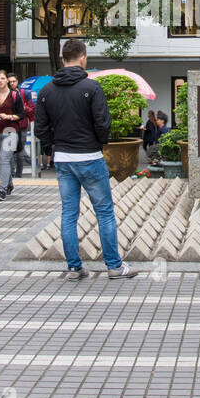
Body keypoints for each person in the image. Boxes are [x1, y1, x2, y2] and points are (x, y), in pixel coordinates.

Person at [34, 39, 139, 281]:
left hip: (63, 158)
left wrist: (54, 144)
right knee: (104, 211)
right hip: (90, 156)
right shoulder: (92, 88)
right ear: (83, 58)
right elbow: (103, 124)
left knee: (69, 213)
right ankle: (114, 266)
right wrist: (97, 142)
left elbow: (41, 129)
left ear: (62, 60)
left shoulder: (46, 91)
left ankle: (74, 267)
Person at [0, 70, 25, 200]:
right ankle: (9, 184)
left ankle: (2, 190)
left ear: (7, 80)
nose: (0, 81)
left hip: (10, 130)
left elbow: (21, 114)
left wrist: (9, 116)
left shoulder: (14, 95)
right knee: (1, 160)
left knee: (4, 159)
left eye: (2, 78)